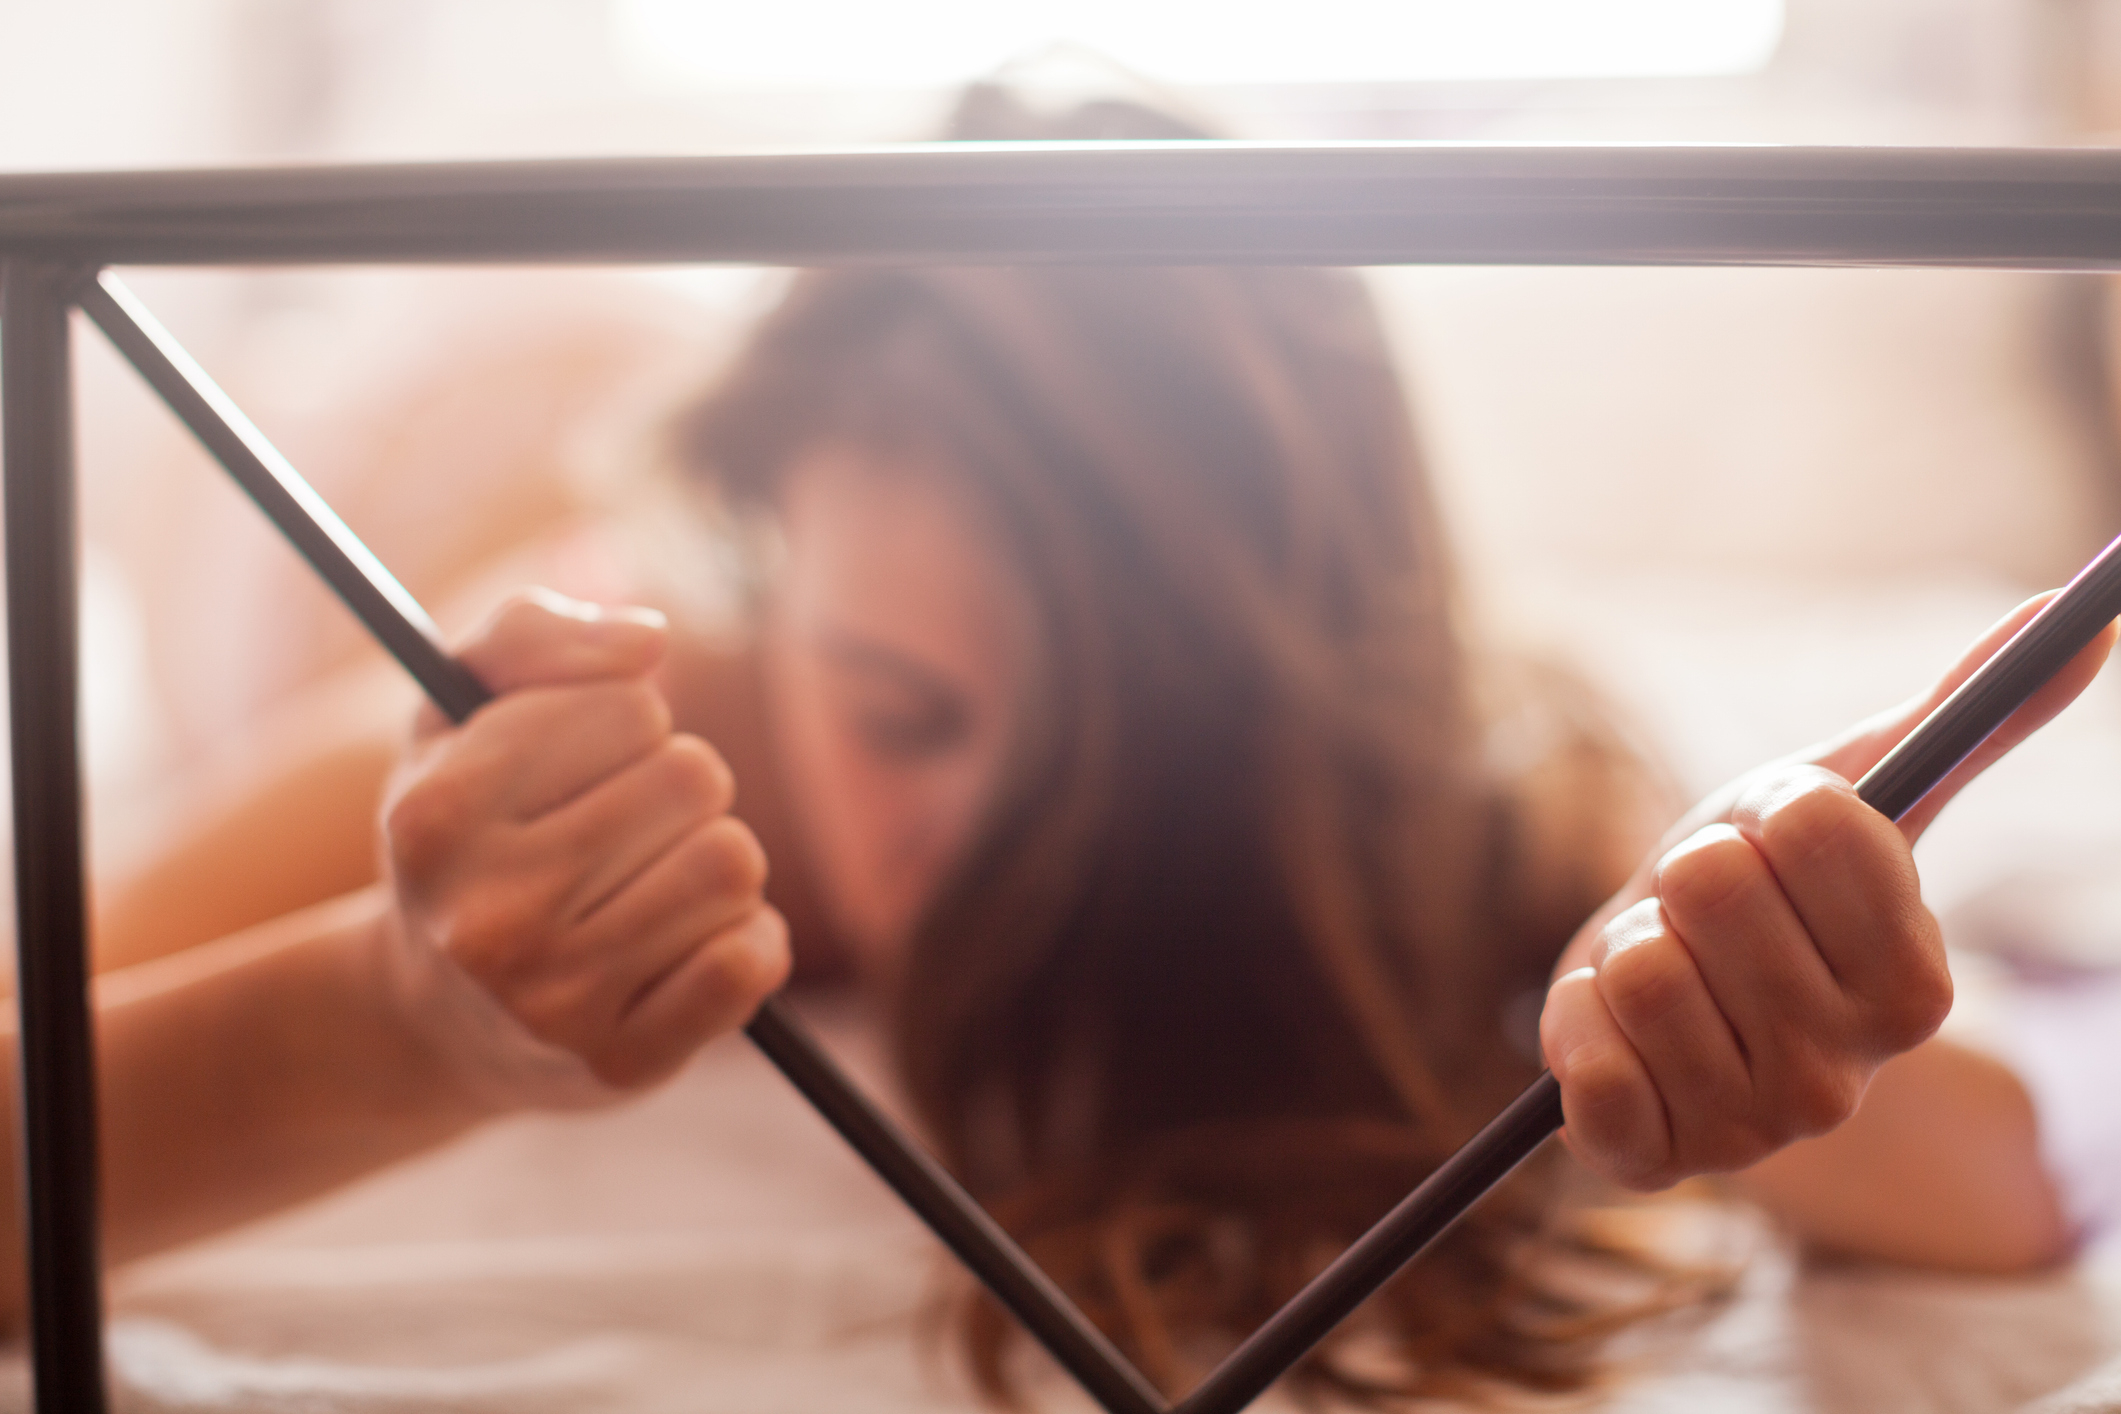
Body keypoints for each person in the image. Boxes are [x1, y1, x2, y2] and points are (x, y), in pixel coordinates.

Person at [25, 87, 2100, 1404]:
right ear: (778, 591)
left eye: (1117, 743)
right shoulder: (654, 702)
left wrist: (1766, 1014)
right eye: (900, 712)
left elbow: (2001, 1174)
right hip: (388, 445)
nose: (980, 836)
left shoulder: (1428, 769)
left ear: (1299, 698)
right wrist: (407, 1021)